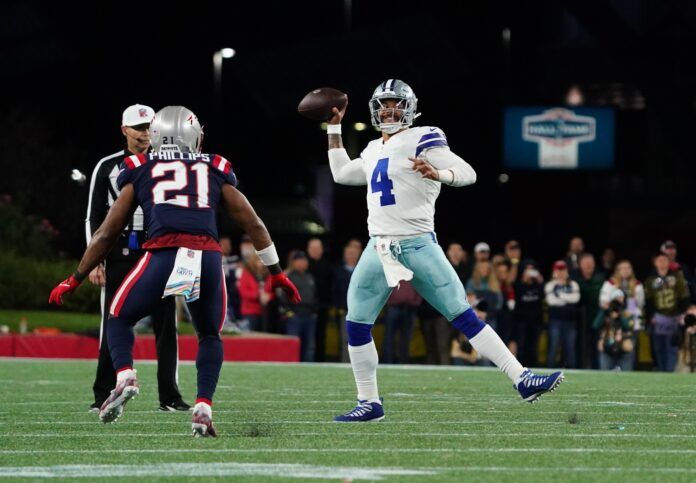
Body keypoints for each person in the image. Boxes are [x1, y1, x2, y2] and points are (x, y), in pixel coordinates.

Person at [49, 106, 300, 437]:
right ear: (194, 136)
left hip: (163, 254)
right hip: (207, 257)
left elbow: (107, 232)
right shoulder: (214, 166)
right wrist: (277, 272)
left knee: (119, 318)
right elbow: (253, 222)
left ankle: (124, 375)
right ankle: (202, 407)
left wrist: (75, 277)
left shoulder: (139, 166)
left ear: (156, 135)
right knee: (209, 334)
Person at [324, 78, 563, 422]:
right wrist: (334, 129)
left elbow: (468, 173)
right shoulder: (373, 148)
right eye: (384, 104)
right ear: (376, 110)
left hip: (418, 241)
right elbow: (341, 174)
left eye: (396, 104)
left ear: (409, 108)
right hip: (378, 245)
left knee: (461, 313)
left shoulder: (424, 137)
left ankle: (522, 378)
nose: (390, 110)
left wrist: (439, 172)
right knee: (356, 323)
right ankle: (369, 401)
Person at [84, 104, 188, 413]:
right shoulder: (107, 165)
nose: (145, 133)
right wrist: (94, 259)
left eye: (149, 127)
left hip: (159, 249)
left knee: (167, 325)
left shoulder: (169, 162)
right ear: (125, 130)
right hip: (119, 253)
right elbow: (93, 216)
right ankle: (103, 393)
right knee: (112, 322)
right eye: (139, 128)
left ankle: (169, 396)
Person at [645, 253, 690, 372]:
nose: (662, 262)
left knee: (672, 347)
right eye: (659, 260)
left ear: (669, 262)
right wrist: (651, 316)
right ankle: (661, 370)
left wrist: (682, 313)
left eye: (665, 260)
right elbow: (648, 300)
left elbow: (684, 297)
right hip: (658, 318)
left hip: (673, 317)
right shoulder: (650, 280)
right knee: (658, 347)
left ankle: (670, 372)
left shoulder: (677, 277)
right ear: (655, 262)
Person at [279, 250, 317, 362]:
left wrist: (314, 312)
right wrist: (289, 313)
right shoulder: (288, 277)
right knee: (293, 344)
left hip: (309, 316)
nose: (302, 262)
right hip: (295, 317)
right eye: (299, 260)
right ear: (293, 262)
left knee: (309, 346)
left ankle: (309, 371)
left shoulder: (310, 277)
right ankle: (291, 367)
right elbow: (283, 297)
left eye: (304, 260)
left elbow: (315, 296)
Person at [545, 260, 581, 368]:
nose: (561, 272)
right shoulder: (550, 285)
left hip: (570, 321)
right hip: (555, 321)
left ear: (567, 271)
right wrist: (567, 298)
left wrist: (559, 295)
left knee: (570, 348)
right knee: (553, 347)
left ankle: (573, 371)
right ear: (554, 271)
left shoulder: (573, 284)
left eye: (563, 270)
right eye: (558, 270)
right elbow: (551, 301)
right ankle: (549, 371)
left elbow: (576, 299)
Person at [306, 238, 334, 362]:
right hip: (306, 308)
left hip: (323, 307)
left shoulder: (328, 266)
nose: (316, 251)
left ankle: (320, 360)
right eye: (313, 248)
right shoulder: (304, 266)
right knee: (308, 337)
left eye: (318, 248)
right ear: (308, 249)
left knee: (321, 335)